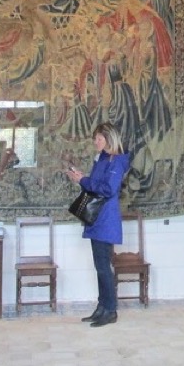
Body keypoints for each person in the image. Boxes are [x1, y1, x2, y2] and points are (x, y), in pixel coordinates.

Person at [66, 122, 130, 328]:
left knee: (104, 268)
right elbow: (96, 185)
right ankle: (102, 307)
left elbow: (108, 189)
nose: (95, 142)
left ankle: (110, 311)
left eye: (99, 139)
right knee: (100, 267)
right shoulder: (102, 159)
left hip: (105, 221)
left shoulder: (117, 161)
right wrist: (81, 178)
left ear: (109, 139)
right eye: (95, 138)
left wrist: (83, 180)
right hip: (97, 220)